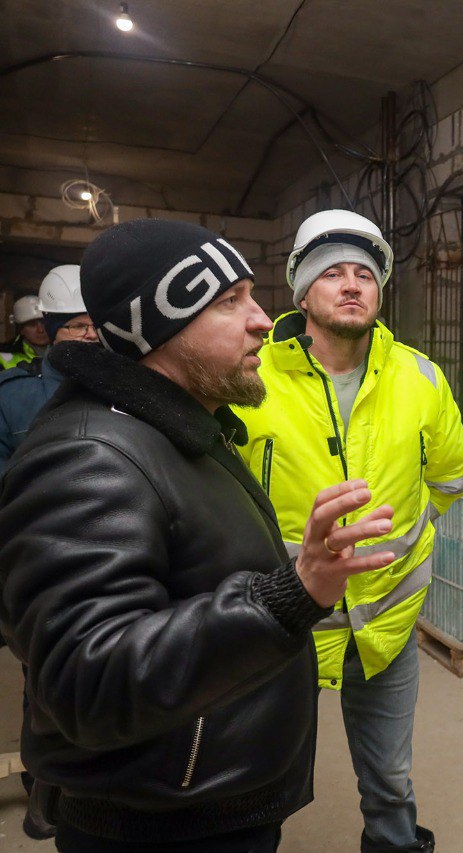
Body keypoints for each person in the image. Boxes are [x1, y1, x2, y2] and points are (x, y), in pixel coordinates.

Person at [0, 218, 398, 851]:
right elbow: (85, 684)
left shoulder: (175, 428)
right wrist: (288, 596)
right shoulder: (91, 456)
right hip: (162, 827)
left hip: (204, 799)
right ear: (157, 327)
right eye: (230, 301)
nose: (262, 320)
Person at [235, 209, 463, 853]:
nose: (350, 285)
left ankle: (393, 843)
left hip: (385, 620)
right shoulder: (250, 379)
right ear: (302, 292)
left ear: (379, 291)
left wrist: (405, 539)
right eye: (331, 273)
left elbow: (451, 476)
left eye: (364, 275)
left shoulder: (420, 377)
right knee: (256, 775)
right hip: (283, 621)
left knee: (390, 776)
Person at [0, 265, 100, 470]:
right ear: (53, 331)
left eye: (96, 325)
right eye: (78, 326)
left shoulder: (122, 386)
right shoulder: (11, 396)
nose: (91, 335)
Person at [1, 294, 49, 369]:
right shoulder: (3, 356)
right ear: (21, 329)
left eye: (43, 322)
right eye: (32, 324)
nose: (40, 330)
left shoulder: (65, 351)